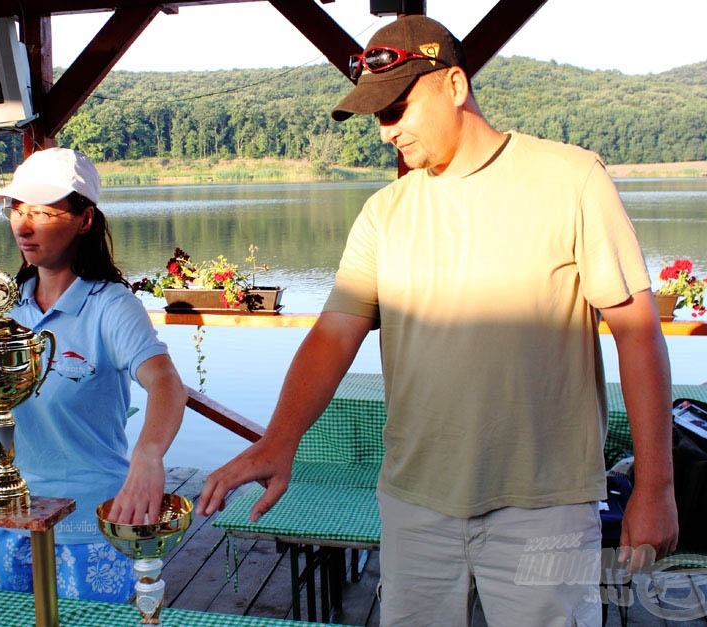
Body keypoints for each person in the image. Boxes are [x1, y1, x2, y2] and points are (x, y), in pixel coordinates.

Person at [198, 15, 678, 626]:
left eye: (396, 109)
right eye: (377, 116)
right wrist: (279, 440)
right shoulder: (384, 213)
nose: (385, 131)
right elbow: (334, 332)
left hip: (545, 505)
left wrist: (655, 487)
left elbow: (638, 333)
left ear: (454, 85)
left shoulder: (571, 178)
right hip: (414, 503)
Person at [0, 147, 187, 601]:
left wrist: (148, 456)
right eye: (16, 209)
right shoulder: (7, 308)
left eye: (42, 211)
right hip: (10, 520)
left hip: (87, 527)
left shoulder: (110, 305)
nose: (23, 224)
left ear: (85, 219)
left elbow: (166, 382)